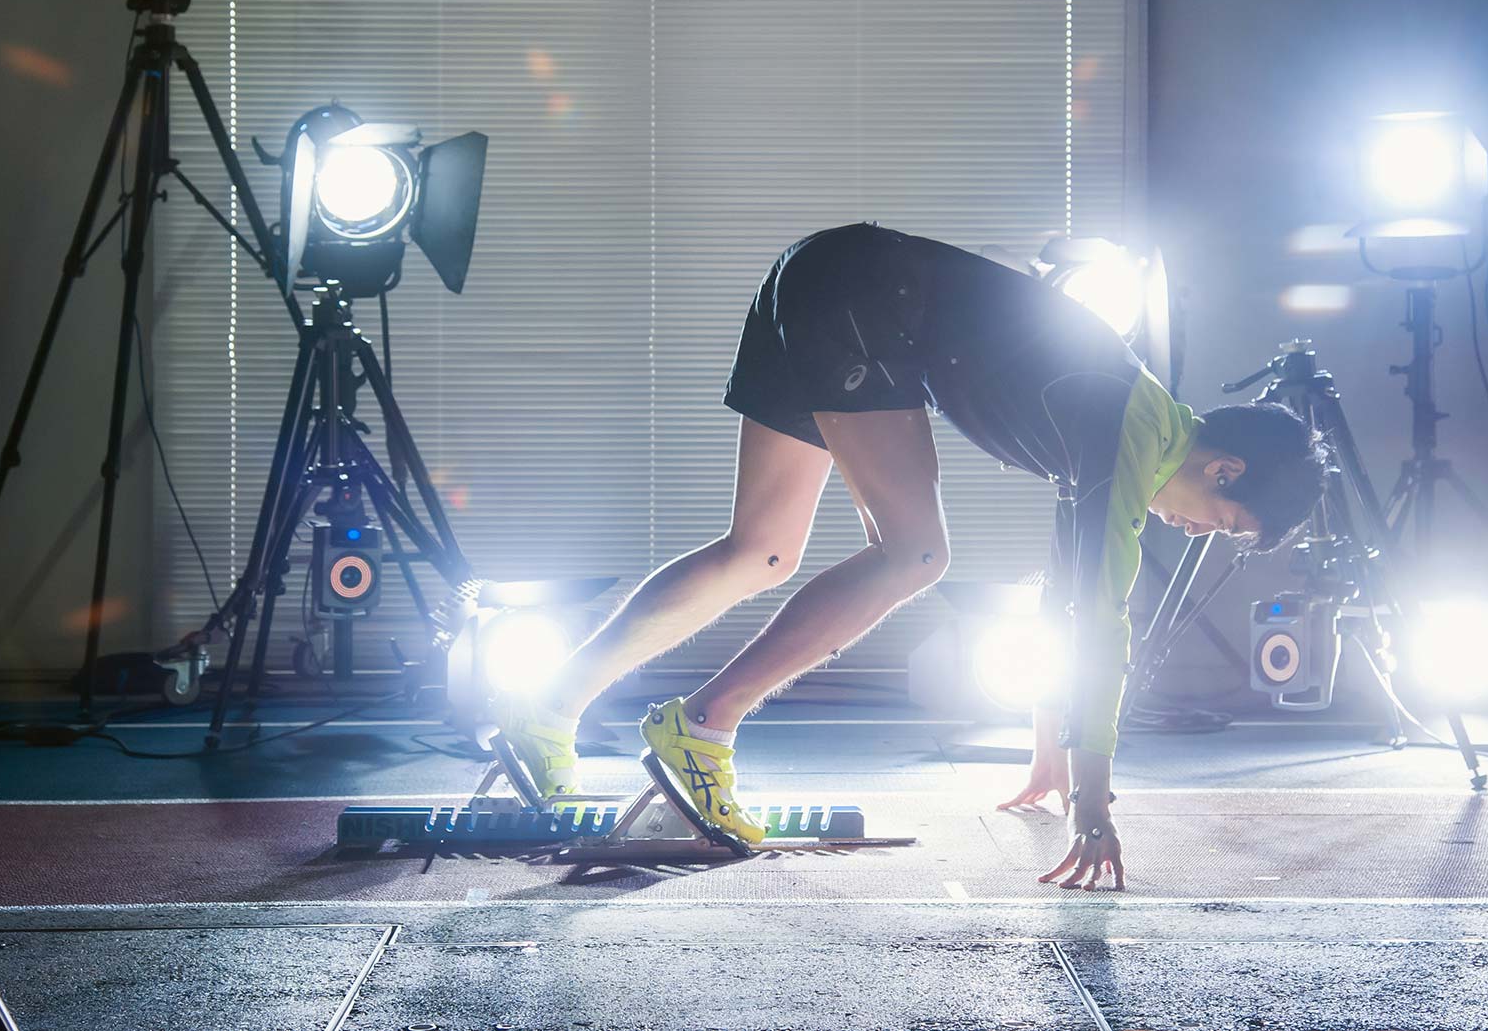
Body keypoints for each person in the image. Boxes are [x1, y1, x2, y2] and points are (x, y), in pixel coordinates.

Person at [492, 221, 1325, 888]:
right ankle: (701, 729)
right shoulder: (1131, 430)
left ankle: (547, 706)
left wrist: (1047, 755)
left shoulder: (1128, 425)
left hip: (826, 276)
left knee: (760, 550)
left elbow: (1064, 604)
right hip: (862, 299)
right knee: (916, 553)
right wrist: (1093, 805)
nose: (1201, 531)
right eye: (1225, 519)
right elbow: (1101, 624)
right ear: (1227, 467)